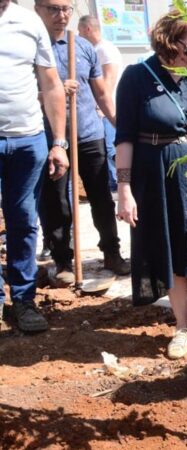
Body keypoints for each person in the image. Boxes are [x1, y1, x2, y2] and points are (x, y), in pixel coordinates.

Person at [115, 13, 187, 359]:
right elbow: (124, 137)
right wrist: (124, 189)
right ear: (168, 40)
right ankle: (182, 325)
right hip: (157, 176)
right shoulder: (136, 77)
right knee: (172, 248)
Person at [36, 0, 128, 288]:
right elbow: (21, 93)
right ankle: (63, 260)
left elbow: (101, 93)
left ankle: (111, 253)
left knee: (101, 198)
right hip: (51, 139)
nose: (61, 15)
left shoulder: (83, 47)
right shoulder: (33, 46)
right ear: (38, 9)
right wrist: (51, 91)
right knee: (57, 202)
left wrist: (119, 126)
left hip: (89, 133)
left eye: (66, 9)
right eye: (53, 9)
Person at [0, 0, 69, 332]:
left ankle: (24, 300)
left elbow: (51, 84)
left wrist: (59, 142)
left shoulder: (29, 23)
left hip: (28, 141)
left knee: (25, 222)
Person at [78, 15, 122, 193]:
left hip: (106, 108)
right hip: (102, 108)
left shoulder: (104, 49)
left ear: (87, 29)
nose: (79, 34)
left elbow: (109, 79)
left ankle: (116, 184)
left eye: (80, 30)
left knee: (109, 147)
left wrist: (101, 106)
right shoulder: (96, 48)